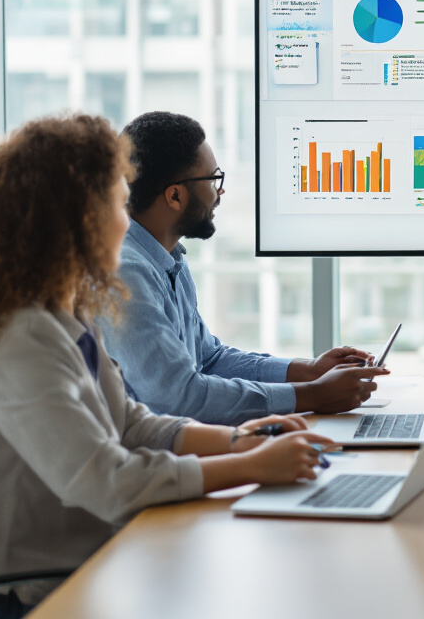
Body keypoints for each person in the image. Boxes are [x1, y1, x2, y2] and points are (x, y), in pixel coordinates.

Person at [0, 116, 337, 617]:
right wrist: (249, 466)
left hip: (90, 561)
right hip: (34, 595)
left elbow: (129, 422)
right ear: (77, 222)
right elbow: (107, 482)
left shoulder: (60, 314)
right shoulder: (18, 341)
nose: (127, 219)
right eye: (117, 204)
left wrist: (237, 441)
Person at [99, 111, 387, 425]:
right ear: (175, 195)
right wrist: (312, 395)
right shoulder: (126, 274)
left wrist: (310, 370)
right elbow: (180, 399)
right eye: (213, 180)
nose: (220, 192)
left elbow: (209, 359)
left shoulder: (169, 260)